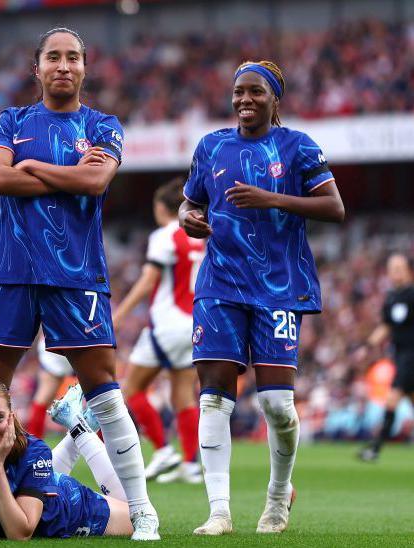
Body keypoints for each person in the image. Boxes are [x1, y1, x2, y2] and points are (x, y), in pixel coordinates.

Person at [0, 27, 160, 540]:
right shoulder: (11, 120)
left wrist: (29, 165)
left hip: (76, 274)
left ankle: (142, 509)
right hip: (10, 269)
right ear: (37, 68)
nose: (63, 65)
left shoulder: (103, 124)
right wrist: (62, 171)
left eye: (72, 57)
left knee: (104, 389)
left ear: (84, 67)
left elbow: (96, 181)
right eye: (53, 57)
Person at [179, 60, 345, 535]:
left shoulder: (297, 147)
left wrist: (274, 199)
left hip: (278, 285)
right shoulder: (211, 147)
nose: (244, 100)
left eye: (255, 92)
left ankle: (278, 496)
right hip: (219, 284)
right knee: (214, 398)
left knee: (276, 405)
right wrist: (187, 217)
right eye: (238, 93)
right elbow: (191, 200)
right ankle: (219, 511)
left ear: (276, 100)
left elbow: (334, 207)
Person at [0, 379, 133, 540]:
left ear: (11, 418)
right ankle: (79, 424)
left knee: (136, 516)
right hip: (43, 483)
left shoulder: (35, 450)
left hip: (77, 510)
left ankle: (77, 426)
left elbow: (19, 533)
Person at [112, 179, 204, 483]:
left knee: (132, 389)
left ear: (160, 207)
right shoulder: (199, 236)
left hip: (167, 324)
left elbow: (149, 280)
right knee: (183, 395)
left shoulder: (165, 236)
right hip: (194, 324)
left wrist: (119, 314)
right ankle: (190, 464)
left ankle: (163, 450)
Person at [359, 253, 414, 462]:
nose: (396, 272)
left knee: (392, 398)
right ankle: (375, 448)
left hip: (411, 357)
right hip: (400, 356)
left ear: (408, 269)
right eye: (392, 268)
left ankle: (375, 448)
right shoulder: (392, 297)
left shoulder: (412, 294)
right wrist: (367, 346)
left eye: (400, 267)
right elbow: (386, 326)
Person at [25, 336, 75, 439]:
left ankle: (33, 446)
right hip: (82, 341)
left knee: (43, 398)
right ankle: (103, 446)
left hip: (51, 341)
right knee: (99, 395)